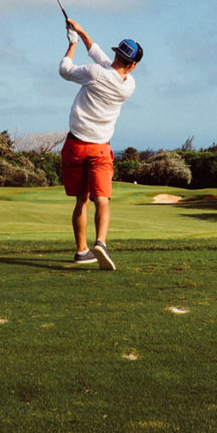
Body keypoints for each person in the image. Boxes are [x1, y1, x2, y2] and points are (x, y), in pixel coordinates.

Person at [59, 19, 142, 270]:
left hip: (75, 145)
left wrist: (72, 44)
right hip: (100, 149)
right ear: (133, 65)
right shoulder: (129, 86)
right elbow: (101, 58)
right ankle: (101, 243)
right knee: (102, 198)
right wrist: (81, 31)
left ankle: (82, 250)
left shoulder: (95, 73)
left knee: (81, 201)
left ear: (118, 55)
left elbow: (65, 70)